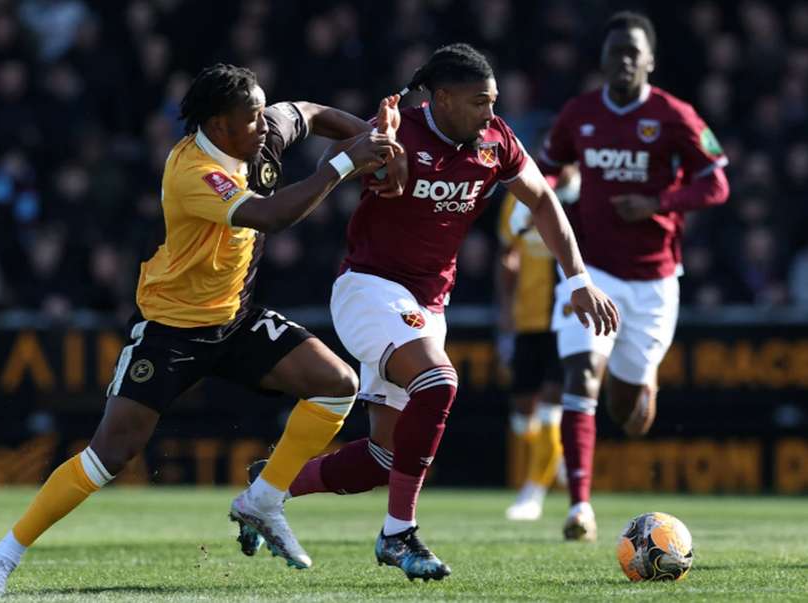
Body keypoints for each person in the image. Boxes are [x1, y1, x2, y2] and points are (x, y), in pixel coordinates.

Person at [0, 63, 403, 595]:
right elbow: (269, 216)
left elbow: (309, 113)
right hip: (171, 329)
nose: (264, 126)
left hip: (234, 317)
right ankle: (1, 555)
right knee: (112, 452)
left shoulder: (259, 129)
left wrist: (370, 133)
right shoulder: (193, 171)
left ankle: (262, 500)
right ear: (218, 126)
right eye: (251, 119)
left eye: (262, 112)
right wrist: (344, 163)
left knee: (337, 385)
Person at [241, 43, 619, 581]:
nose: (490, 113)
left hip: (427, 304)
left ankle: (268, 488)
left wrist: (577, 278)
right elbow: (332, 167)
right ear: (441, 98)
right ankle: (399, 536)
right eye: (478, 102)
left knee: (382, 458)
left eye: (493, 102)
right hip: (368, 289)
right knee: (439, 382)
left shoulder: (495, 141)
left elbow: (542, 200)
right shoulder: (400, 129)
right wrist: (373, 156)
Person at [538, 12, 730, 542]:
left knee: (629, 414)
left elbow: (716, 184)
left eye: (633, 52)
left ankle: (645, 380)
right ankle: (580, 507)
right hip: (589, 270)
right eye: (615, 51)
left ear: (650, 61)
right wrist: (558, 181)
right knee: (580, 376)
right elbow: (545, 169)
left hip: (653, 281)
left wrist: (656, 202)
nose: (623, 60)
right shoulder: (578, 113)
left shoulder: (675, 115)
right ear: (602, 60)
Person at [496, 182, 572, 521]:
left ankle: (533, 490)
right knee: (522, 409)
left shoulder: (581, 201)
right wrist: (505, 312)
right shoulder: (517, 202)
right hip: (527, 318)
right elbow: (506, 254)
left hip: (568, 318)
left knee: (553, 400)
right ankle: (550, 456)